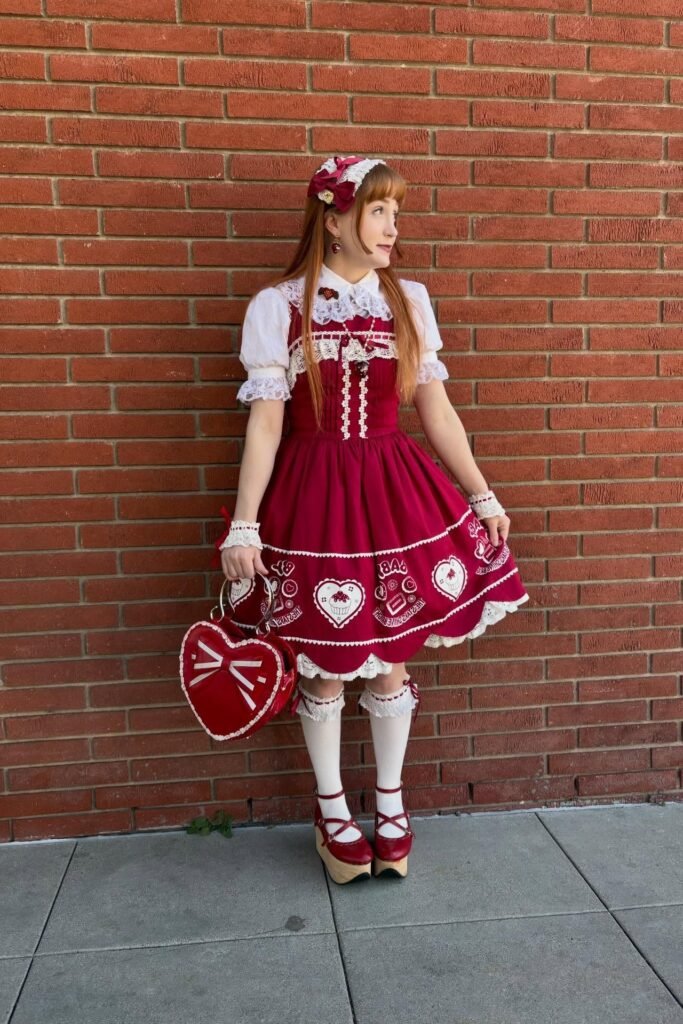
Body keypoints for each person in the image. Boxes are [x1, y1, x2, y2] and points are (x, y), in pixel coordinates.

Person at [212, 155, 530, 884]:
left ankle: (389, 801)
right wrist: (245, 526)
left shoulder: (407, 300)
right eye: (378, 211)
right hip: (315, 494)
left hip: (394, 491)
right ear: (333, 219)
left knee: (390, 656)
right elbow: (265, 424)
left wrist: (481, 495)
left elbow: (435, 409)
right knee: (324, 667)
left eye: (394, 213)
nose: (393, 227)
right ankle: (331, 811)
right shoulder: (280, 305)